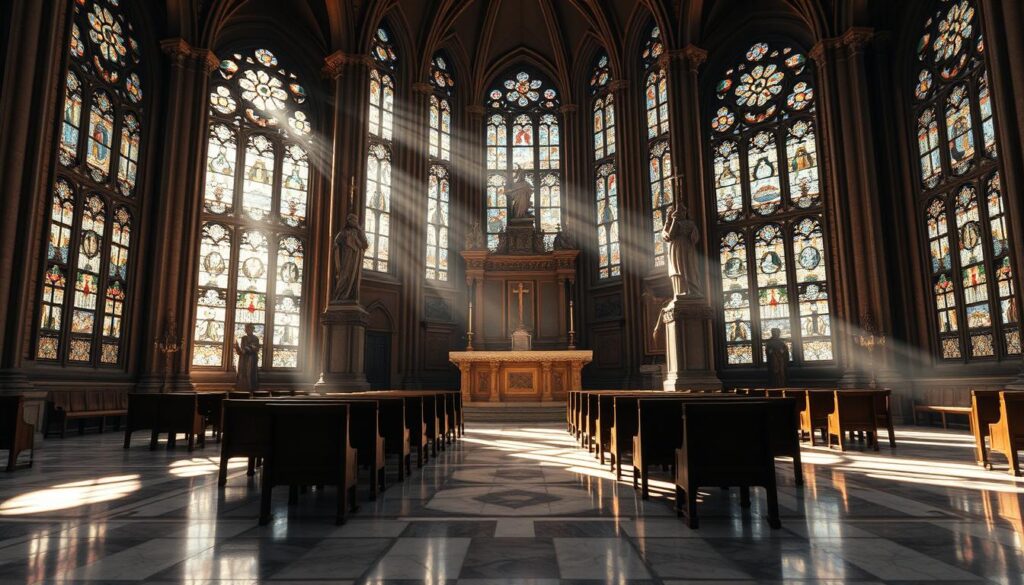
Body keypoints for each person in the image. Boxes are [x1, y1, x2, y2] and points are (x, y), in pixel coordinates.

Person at [662, 203, 700, 296]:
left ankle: (690, 291)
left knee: (688, 268)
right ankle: (680, 291)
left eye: (683, 211)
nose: (681, 213)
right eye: (679, 211)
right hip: (676, 249)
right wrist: (671, 221)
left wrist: (674, 221)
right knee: (678, 269)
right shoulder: (674, 223)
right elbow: (669, 235)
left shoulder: (690, 223)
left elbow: (695, 237)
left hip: (685, 248)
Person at [332, 213, 369, 301]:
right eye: (353, 220)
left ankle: (351, 296)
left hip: (356, 259)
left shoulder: (359, 233)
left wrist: (360, 231)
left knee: (354, 278)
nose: (355, 222)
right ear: (348, 221)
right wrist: (336, 246)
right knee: (344, 276)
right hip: (346, 258)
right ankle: (340, 296)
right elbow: (336, 242)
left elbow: (365, 245)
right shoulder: (344, 232)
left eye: (356, 220)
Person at [234, 324, 260, 392]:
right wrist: (237, 347)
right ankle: (242, 388)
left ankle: (251, 388)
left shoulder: (255, 338)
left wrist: (246, 349)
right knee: (242, 372)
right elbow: (242, 347)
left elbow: (255, 348)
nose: (247, 330)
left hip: (252, 359)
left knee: (251, 373)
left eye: (249, 329)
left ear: (252, 330)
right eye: (246, 329)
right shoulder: (243, 338)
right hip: (243, 359)